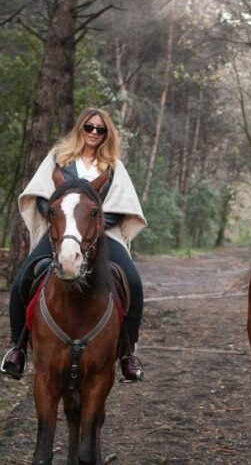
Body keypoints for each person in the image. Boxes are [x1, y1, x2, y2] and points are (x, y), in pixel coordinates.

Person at [1, 107, 147, 382]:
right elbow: (40, 197)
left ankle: (128, 353)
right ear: (80, 128)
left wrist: (92, 225)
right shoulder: (59, 159)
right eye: (89, 127)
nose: (93, 133)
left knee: (134, 283)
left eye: (100, 129)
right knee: (22, 280)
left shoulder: (113, 167)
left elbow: (123, 206)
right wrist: (62, 220)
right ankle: (17, 348)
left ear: (107, 134)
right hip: (61, 234)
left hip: (103, 235)